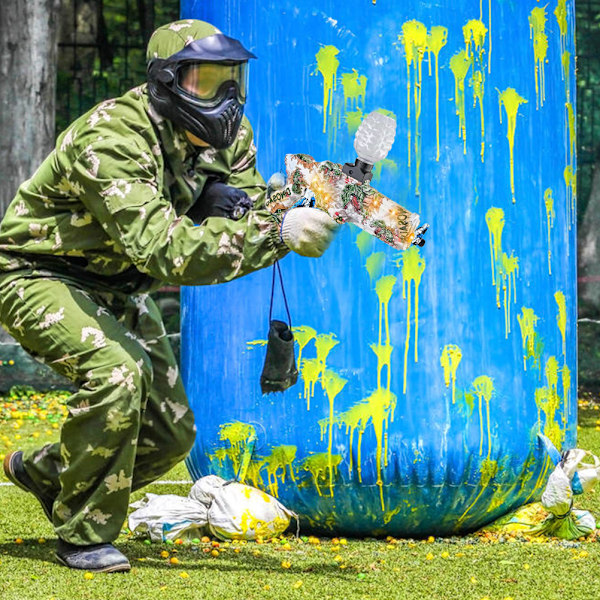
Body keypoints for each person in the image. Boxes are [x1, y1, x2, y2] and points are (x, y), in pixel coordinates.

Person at [0, 19, 337, 573]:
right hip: (38, 274)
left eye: (234, 81)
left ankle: (49, 474)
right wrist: (275, 232)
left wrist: (291, 207)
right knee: (118, 372)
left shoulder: (233, 138)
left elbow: (247, 208)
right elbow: (164, 250)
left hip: (121, 286)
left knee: (170, 434)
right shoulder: (112, 137)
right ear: (165, 82)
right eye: (207, 82)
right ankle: (84, 535)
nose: (227, 99)